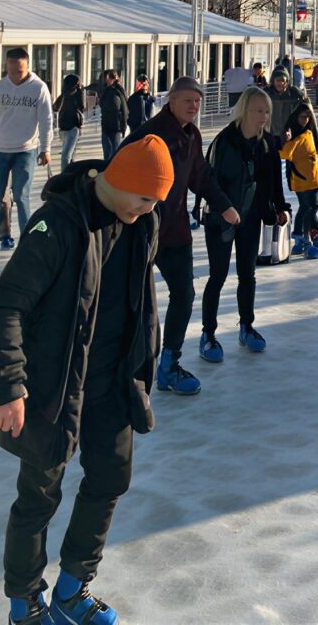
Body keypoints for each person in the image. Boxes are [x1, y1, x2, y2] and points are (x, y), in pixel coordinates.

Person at [0, 135, 172, 625]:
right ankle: (23, 605)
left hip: (113, 382)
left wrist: (143, 367)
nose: (150, 208)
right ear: (120, 182)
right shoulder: (57, 225)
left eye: (157, 200)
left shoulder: (143, 222)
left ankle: (72, 589)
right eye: (145, 197)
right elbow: (7, 304)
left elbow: (140, 302)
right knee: (39, 498)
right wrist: (10, 385)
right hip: (51, 388)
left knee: (111, 478)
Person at [123, 77, 225, 398]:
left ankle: (168, 364)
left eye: (197, 101)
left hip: (176, 231)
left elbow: (201, 177)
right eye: (187, 101)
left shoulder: (192, 135)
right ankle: (124, 367)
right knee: (133, 301)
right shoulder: (150, 134)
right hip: (140, 230)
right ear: (171, 100)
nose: (193, 107)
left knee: (184, 294)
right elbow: (120, 167)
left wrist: (224, 205)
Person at [200, 86, 288, 363]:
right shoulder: (224, 142)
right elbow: (208, 181)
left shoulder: (267, 144)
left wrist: (280, 208)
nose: (263, 116)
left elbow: (274, 181)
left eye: (266, 111)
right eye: (258, 110)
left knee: (247, 275)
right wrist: (223, 208)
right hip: (221, 219)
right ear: (244, 110)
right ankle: (208, 334)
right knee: (217, 276)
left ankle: (246, 326)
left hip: (250, 217)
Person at [0, 50, 52, 253]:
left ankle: (28, 238)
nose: (14, 76)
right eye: (10, 70)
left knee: (21, 195)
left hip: (25, 150)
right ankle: (5, 234)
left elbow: (46, 121)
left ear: (27, 67)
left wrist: (45, 148)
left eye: (19, 71)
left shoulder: (38, 88)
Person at [279, 100, 318, 259]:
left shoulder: (309, 133)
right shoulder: (295, 137)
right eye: (302, 117)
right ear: (295, 117)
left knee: (309, 208)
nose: (305, 120)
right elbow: (284, 154)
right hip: (300, 180)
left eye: (307, 117)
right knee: (308, 208)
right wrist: (286, 140)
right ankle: (306, 236)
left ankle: (305, 236)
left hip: (313, 180)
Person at [89, 71, 127, 164]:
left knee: (114, 151)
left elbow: (122, 108)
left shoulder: (116, 91)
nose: (107, 81)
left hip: (114, 126)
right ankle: (107, 169)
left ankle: (112, 169)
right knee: (108, 151)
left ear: (111, 79)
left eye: (108, 79)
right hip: (107, 125)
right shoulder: (107, 90)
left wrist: (123, 126)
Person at [51, 76, 84, 175]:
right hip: (69, 127)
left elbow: (55, 108)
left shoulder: (68, 93)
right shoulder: (75, 93)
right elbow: (82, 107)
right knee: (68, 155)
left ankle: (67, 175)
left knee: (67, 154)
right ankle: (68, 175)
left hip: (69, 128)